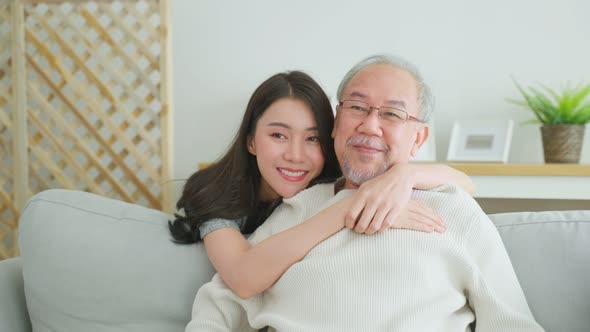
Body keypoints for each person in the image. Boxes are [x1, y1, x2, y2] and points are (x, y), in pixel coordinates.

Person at [185, 55, 544, 331]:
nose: (369, 125)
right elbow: (221, 303)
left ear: (418, 138)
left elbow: (512, 323)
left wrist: (405, 177)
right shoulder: (298, 206)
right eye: (357, 107)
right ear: (337, 122)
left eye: (391, 114)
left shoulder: (454, 209)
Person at [170, 71, 475, 299]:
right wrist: (348, 207)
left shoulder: (331, 182)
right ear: (251, 140)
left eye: (312, 138)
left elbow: (465, 183)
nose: (295, 155)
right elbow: (243, 278)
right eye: (278, 135)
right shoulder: (215, 193)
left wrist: (405, 176)